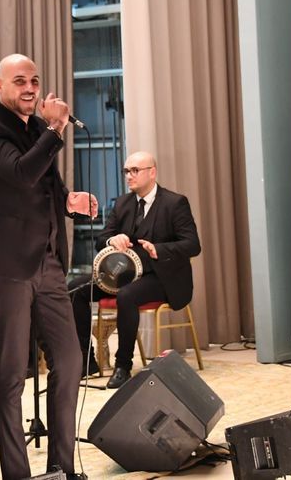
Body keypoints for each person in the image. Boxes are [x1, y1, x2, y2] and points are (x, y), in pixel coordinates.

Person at [0, 54, 98, 480]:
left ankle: (61, 468)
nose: (29, 88)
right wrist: (56, 128)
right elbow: (22, 173)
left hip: (48, 262)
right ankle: (17, 475)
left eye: (35, 81)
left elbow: (46, 186)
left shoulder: (38, 129)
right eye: (19, 80)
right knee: (11, 375)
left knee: (70, 359)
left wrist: (70, 202)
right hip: (6, 266)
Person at [70, 151, 200, 388]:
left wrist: (158, 249)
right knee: (76, 288)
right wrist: (112, 240)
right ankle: (87, 361)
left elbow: (193, 245)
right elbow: (102, 238)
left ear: (152, 172)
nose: (129, 176)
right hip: (125, 275)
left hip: (162, 278)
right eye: (126, 171)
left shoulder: (175, 203)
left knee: (127, 295)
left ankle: (123, 366)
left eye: (135, 171)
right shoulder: (123, 203)